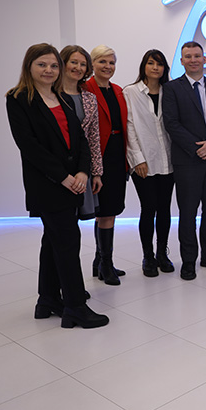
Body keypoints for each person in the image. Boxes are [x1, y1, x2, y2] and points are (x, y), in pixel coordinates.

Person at [6, 43, 108, 328]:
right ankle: (75, 306)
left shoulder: (61, 97)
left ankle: (48, 299)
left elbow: (81, 139)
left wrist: (83, 171)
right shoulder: (18, 99)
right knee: (67, 242)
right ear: (29, 66)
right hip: (48, 184)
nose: (49, 70)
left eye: (53, 65)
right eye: (42, 64)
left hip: (73, 181)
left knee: (52, 240)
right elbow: (29, 146)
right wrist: (64, 177)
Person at [162, 41, 206, 280]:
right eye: (188, 56)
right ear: (181, 61)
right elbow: (172, 123)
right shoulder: (172, 88)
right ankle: (189, 260)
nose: (193, 60)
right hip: (187, 160)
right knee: (188, 212)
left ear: (204, 59)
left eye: (197, 56)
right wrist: (198, 148)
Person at [124, 50, 175, 277]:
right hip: (143, 161)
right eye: (151, 63)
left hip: (168, 160)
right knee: (148, 208)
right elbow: (129, 127)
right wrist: (138, 159)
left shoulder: (170, 91)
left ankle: (162, 254)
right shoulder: (130, 92)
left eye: (160, 64)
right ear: (143, 66)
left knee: (164, 209)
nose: (155, 67)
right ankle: (148, 256)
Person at [85, 44, 128, 286]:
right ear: (92, 64)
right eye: (102, 61)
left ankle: (99, 260)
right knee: (105, 211)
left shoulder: (118, 90)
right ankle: (106, 264)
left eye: (111, 62)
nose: (108, 66)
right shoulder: (85, 88)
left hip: (117, 155)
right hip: (98, 156)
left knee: (108, 210)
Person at [59, 46, 102, 221]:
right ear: (63, 63)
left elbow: (94, 138)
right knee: (59, 223)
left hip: (82, 168)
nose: (78, 68)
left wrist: (96, 173)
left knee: (73, 224)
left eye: (83, 64)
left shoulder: (90, 98)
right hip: (59, 169)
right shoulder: (51, 96)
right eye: (74, 62)